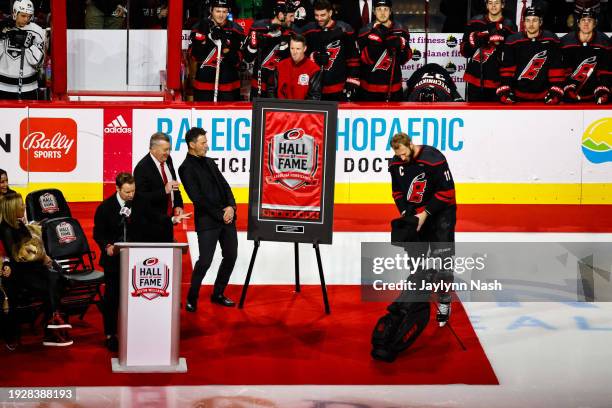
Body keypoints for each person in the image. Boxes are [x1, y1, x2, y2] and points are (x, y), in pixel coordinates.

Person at [93, 172, 189, 351]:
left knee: (136, 297)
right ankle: (110, 335)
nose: (131, 195)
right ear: (117, 189)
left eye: (133, 191)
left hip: (136, 260)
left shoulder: (140, 202)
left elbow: (155, 216)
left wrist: (172, 219)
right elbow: (98, 233)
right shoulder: (105, 208)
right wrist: (106, 246)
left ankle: (138, 331)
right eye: (127, 192)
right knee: (112, 299)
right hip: (114, 261)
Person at [388, 132, 456, 327]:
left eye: (403, 154)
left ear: (411, 144)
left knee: (443, 260)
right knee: (415, 261)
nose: (401, 158)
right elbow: (397, 192)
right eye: (398, 155)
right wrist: (405, 214)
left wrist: (425, 214)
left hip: (441, 214)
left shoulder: (433, 158)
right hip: (414, 213)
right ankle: (418, 299)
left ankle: (444, 301)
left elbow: (447, 192)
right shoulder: (396, 163)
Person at [0, 192, 72, 346]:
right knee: (50, 284)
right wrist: (40, 255)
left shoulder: (19, 224)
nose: (24, 206)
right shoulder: (5, 229)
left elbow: (32, 248)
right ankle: (52, 324)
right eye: (21, 205)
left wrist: (41, 255)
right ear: (13, 208)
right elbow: (20, 255)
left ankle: (53, 319)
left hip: (32, 267)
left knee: (56, 277)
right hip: (18, 272)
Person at [178, 127, 238, 312]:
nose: (207, 146)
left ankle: (218, 293)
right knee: (205, 261)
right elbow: (198, 198)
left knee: (231, 255)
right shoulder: (185, 168)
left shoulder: (210, 162)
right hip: (208, 221)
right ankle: (192, 297)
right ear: (192, 144)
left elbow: (225, 185)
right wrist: (221, 214)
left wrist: (231, 207)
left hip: (226, 218)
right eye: (203, 143)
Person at [497, 7, 565, 103]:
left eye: (535, 20)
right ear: (524, 23)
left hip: (545, 96)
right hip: (518, 96)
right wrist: (506, 88)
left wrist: (555, 88)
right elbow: (508, 69)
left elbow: (556, 67)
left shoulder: (551, 39)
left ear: (540, 22)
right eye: (528, 20)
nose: (531, 24)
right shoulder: (513, 41)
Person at [301, 0, 360, 101]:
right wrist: (313, 57)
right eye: (316, 15)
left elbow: (353, 58)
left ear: (330, 13)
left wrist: (352, 80)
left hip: (339, 87)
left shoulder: (345, 29)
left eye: (322, 15)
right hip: (315, 88)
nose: (319, 19)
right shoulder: (308, 30)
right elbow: (299, 53)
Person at [188, 0, 246, 101]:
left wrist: (226, 46)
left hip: (229, 86)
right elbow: (194, 56)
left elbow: (238, 61)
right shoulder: (199, 27)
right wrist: (204, 41)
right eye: (218, 11)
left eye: (224, 11)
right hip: (203, 85)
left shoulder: (236, 30)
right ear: (211, 10)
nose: (221, 15)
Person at [133, 132, 185, 243]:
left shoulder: (168, 160)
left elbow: (174, 186)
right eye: (165, 150)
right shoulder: (142, 168)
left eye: (169, 149)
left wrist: (178, 205)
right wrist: (164, 190)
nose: (168, 153)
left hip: (167, 223)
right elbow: (140, 198)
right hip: (149, 228)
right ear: (153, 149)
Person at [461, 0, 517, 102]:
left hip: (497, 80)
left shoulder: (509, 26)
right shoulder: (475, 22)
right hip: (475, 79)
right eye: (490, 3)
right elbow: (464, 52)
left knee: (496, 117)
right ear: (486, 5)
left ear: (503, 5)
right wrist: (474, 42)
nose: (493, 6)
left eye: (497, 3)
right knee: (474, 116)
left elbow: (513, 56)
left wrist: (501, 44)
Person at [357, 0, 411, 102]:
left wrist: (401, 45)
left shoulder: (401, 30)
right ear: (374, 11)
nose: (382, 13)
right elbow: (363, 60)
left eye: (386, 9)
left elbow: (405, 58)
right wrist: (375, 45)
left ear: (390, 11)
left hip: (393, 88)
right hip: (369, 88)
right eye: (379, 9)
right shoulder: (364, 31)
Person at [243, 0, 296, 100]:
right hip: (258, 86)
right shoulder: (258, 28)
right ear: (280, 15)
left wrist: (277, 39)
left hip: (280, 88)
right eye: (291, 16)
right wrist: (253, 46)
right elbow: (247, 58)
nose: (293, 20)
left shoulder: (292, 33)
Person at [561, 7, 611, 104]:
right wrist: (568, 86)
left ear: (595, 23)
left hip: (595, 92)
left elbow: (606, 69)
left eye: (589, 20)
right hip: (572, 91)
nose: (586, 23)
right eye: (583, 20)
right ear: (578, 23)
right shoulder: (566, 41)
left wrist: (603, 88)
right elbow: (564, 69)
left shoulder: (604, 41)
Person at [0, 0, 45, 100]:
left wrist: (29, 45)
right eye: (23, 16)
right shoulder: (3, 27)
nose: (26, 19)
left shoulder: (37, 31)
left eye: (29, 16)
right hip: (2, 87)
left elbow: (39, 62)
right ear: (15, 13)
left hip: (28, 88)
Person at [268, 33, 322, 99]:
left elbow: (314, 97)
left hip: (302, 108)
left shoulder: (314, 69)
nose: (294, 52)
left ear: (304, 49)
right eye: (292, 48)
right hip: (281, 107)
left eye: (298, 49)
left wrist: (299, 108)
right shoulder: (280, 65)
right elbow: (271, 90)